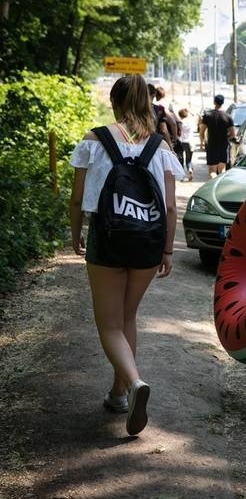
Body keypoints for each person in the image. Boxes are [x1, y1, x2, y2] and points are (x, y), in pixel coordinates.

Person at [68, 74, 185, 436]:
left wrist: (76, 235)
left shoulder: (94, 140)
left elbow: (76, 198)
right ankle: (119, 394)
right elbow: (168, 207)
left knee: (109, 324)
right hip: (147, 242)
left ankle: (134, 383)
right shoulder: (160, 147)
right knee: (128, 316)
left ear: (115, 103)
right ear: (146, 104)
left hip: (109, 237)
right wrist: (167, 248)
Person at [198, 94, 236, 178]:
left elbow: (201, 132)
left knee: (212, 171)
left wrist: (202, 143)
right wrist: (226, 138)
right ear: (223, 103)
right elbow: (233, 134)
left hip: (211, 146)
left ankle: (213, 187)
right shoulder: (228, 117)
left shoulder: (207, 115)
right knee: (222, 171)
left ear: (214, 102)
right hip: (223, 146)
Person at [177, 108, 195, 182]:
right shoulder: (191, 122)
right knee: (189, 159)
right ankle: (190, 169)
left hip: (182, 141)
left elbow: (179, 132)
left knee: (181, 158)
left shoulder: (180, 122)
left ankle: (181, 176)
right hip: (191, 142)